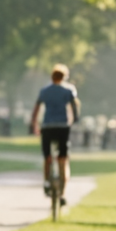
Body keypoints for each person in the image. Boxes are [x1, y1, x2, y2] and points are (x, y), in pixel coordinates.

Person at [29, 65, 80, 204]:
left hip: (47, 126)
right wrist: (74, 120)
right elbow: (74, 108)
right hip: (63, 127)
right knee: (63, 159)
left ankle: (46, 181)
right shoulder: (68, 90)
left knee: (47, 156)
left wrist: (33, 124)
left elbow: (36, 108)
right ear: (64, 77)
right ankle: (62, 194)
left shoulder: (44, 91)